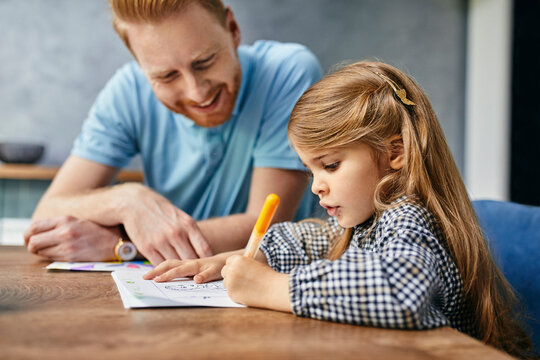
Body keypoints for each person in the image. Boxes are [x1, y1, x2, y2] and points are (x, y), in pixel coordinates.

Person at [144, 61, 533, 358]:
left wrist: (272, 288)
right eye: (310, 169)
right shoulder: (372, 217)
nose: (317, 185)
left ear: (394, 152)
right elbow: (315, 237)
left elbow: (403, 290)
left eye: (330, 165)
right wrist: (245, 256)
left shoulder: (409, 216)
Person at [23, 0, 323, 264]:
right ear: (141, 68)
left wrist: (126, 245)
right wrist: (126, 200)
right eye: (166, 76)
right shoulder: (127, 92)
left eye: (204, 62)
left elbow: (266, 224)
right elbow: (46, 216)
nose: (197, 92)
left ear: (232, 29)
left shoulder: (287, 72)